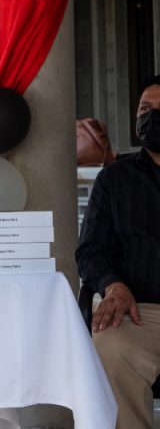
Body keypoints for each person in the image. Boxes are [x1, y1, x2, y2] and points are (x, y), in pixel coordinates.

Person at [76, 75, 160, 429]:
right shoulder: (114, 180)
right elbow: (90, 250)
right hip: (139, 311)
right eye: (145, 109)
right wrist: (113, 285)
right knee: (111, 348)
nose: (152, 117)